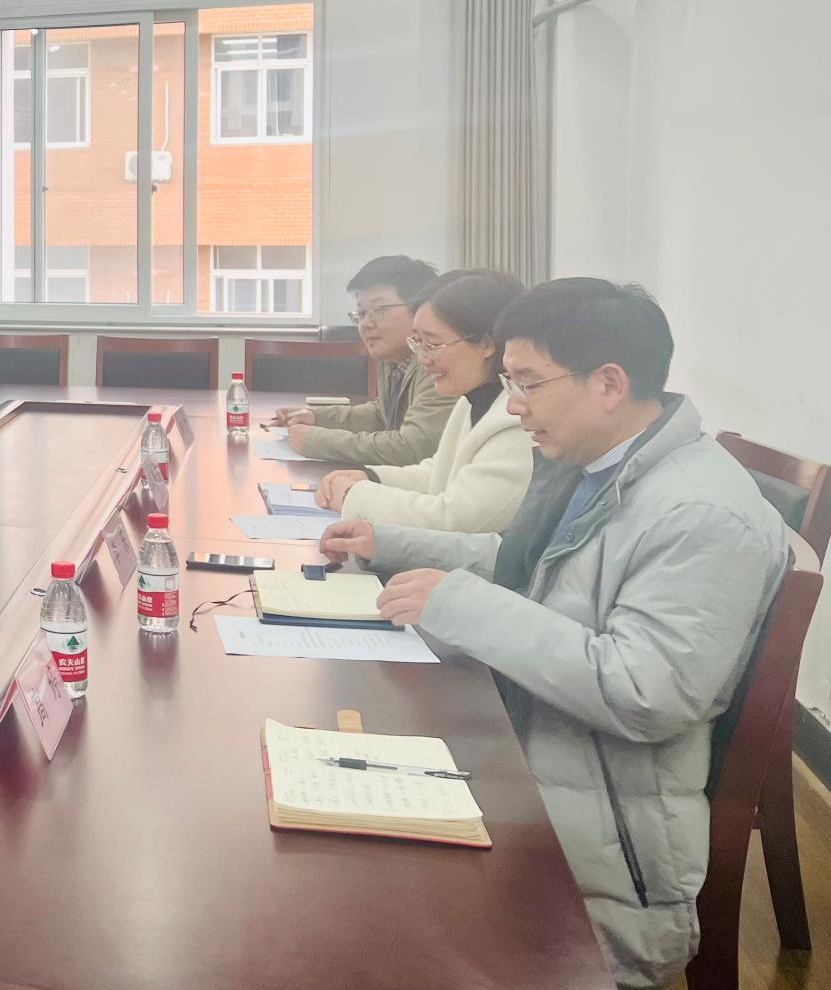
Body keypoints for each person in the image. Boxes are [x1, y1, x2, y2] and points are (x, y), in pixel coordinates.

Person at [317, 279, 788, 989]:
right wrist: (394, 542)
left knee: (335, 898)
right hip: (541, 774)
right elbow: (531, 568)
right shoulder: (606, 466)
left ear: (609, 384)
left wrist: (462, 603)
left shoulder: (699, 514)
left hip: (600, 865)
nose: (512, 405)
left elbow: (643, 692)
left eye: (528, 383)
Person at [312, 269, 531, 533]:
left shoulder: (517, 418)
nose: (423, 359)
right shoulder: (474, 397)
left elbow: (455, 520)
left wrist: (354, 495)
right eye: (418, 343)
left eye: (433, 344)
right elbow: (439, 473)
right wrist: (371, 476)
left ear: (485, 344)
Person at [270, 255, 451, 466]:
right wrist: (315, 417)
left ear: (420, 310)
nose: (365, 324)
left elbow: (410, 448)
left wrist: (317, 440)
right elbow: (382, 414)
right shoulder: (392, 358)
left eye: (380, 310)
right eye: (362, 313)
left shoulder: (438, 364)